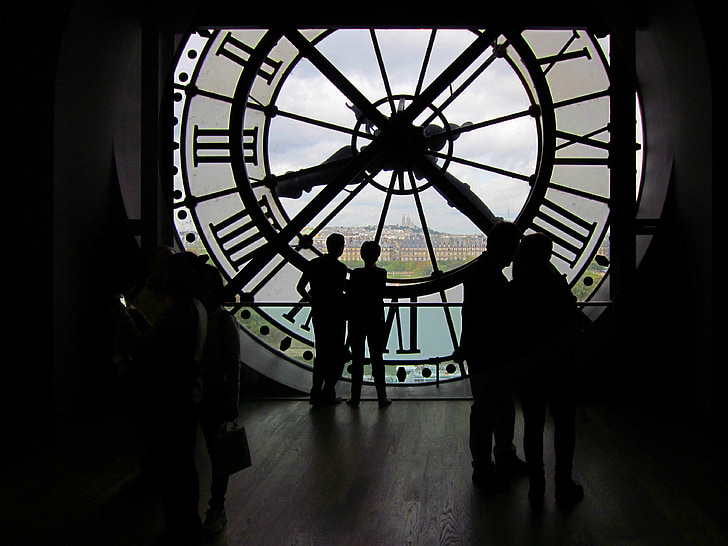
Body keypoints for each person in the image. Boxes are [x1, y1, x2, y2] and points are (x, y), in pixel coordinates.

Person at [111, 251, 208, 545]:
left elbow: (143, 350)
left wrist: (124, 317)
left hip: (169, 398)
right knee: (181, 465)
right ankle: (186, 526)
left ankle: (180, 528)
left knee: (173, 466)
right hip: (184, 396)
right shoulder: (196, 309)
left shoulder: (179, 311)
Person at [510, 232, 585, 509]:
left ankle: (536, 485)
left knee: (533, 427)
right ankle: (563, 482)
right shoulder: (554, 284)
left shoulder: (517, 288)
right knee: (564, 426)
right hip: (560, 366)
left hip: (530, 367)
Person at [459, 221, 526, 492]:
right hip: (494, 354)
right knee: (497, 408)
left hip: (482, 354)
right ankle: (498, 459)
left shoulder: (479, 274)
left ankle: (484, 465)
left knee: (485, 410)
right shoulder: (492, 278)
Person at [198, 264, 242, 535]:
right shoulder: (224, 322)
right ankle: (216, 506)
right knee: (218, 456)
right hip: (215, 393)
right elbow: (232, 365)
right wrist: (232, 401)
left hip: (198, 392)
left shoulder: (196, 318)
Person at [296, 233, 348, 407]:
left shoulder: (314, 265)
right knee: (337, 355)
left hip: (319, 313)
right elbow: (341, 292)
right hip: (336, 314)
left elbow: (300, 287)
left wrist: (312, 300)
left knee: (321, 354)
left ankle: (316, 392)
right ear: (340, 248)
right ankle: (327, 392)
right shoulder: (340, 268)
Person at [346, 241, 391, 408]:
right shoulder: (381, 273)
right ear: (377, 256)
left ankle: (355, 397)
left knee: (357, 359)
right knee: (377, 359)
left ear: (361, 255)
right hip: (375, 319)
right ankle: (381, 396)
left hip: (357, 319)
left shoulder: (356, 274)